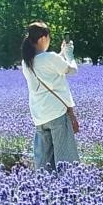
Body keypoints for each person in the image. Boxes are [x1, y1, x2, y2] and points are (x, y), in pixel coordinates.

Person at [20, 21, 79, 171]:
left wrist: (62, 53)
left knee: (44, 165)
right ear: (42, 38)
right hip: (57, 114)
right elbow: (72, 70)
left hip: (40, 117)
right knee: (65, 162)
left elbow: (48, 66)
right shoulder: (50, 58)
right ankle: (67, 186)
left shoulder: (26, 62)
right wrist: (69, 54)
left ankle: (45, 185)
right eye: (49, 37)